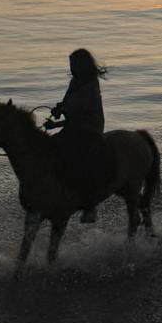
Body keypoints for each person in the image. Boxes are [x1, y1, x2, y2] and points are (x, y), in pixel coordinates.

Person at [48, 48, 112, 223]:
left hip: (89, 129)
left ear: (82, 65)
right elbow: (68, 107)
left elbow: (79, 110)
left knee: (80, 159)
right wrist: (59, 111)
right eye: (70, 64)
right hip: (74, 127)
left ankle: (90, 205)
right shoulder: (75, 82)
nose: (71, 68)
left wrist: (62, 112)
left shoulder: (90, 84)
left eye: (73, 64)